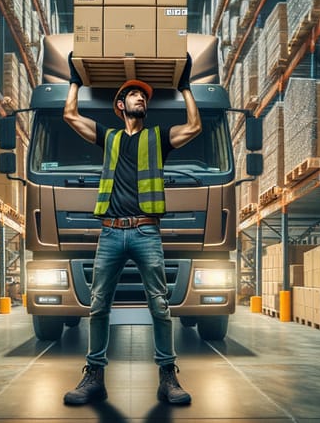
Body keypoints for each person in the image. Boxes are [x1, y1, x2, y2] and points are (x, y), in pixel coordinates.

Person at [62, 53, 201, 406]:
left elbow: (195, 127)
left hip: (146, 232)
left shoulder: (159, 138)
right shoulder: (107, 137)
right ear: (121, 105)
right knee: (98, 306)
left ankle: (168, 376)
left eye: (145, 96)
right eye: (134, 95)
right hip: (110, 233)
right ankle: (94, 377)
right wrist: (73, 79)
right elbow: (69, 116)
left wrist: (185, 88)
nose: (142, 98)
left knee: (159, 304)